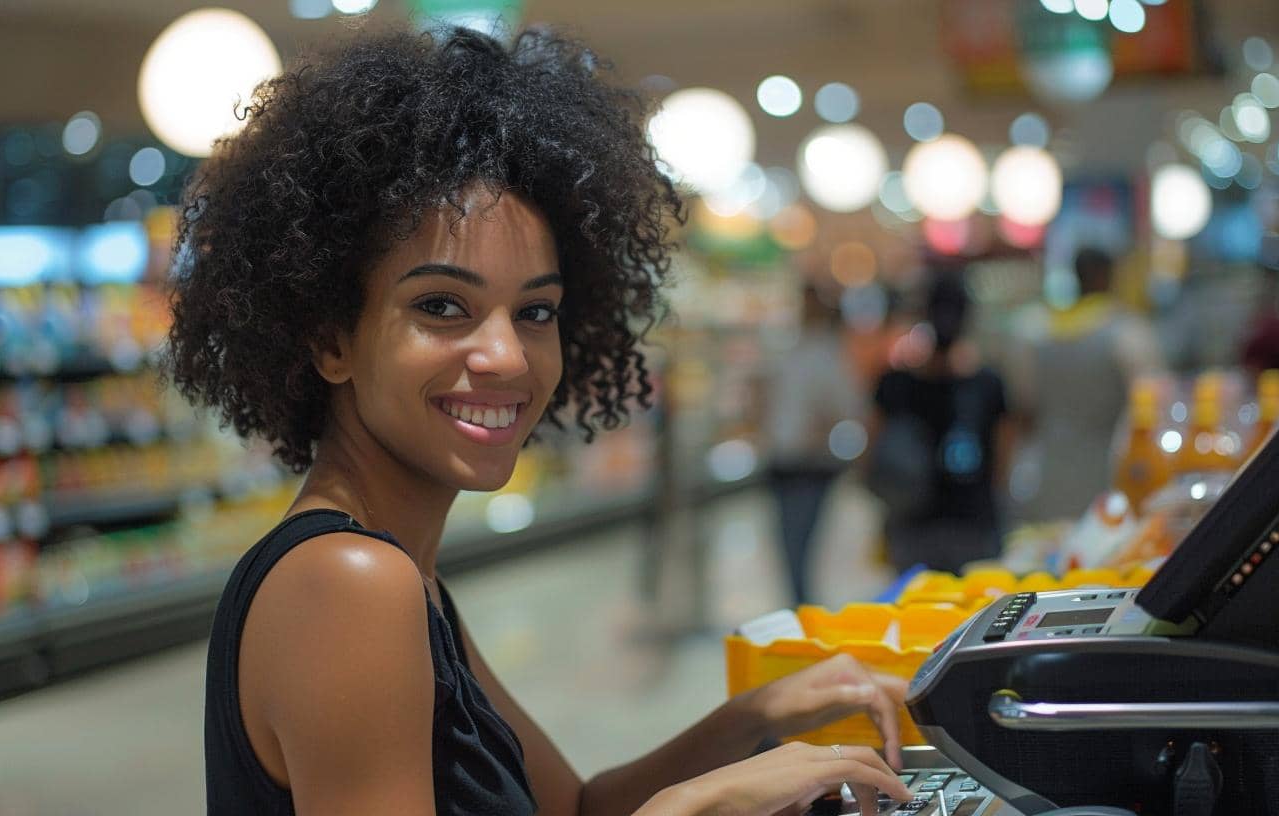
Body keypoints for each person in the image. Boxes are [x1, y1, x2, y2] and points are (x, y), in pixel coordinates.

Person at [168, 27, 912, 816]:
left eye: (535, 310)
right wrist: (691, 809)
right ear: (330, 338)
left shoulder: (405, 580)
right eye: (442, 306)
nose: (508, 357)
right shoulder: (351, 584)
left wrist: (757, 716)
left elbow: (578, 808)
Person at [1006, 247, 1164, 522]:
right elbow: (1151, 403)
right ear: (1110, 276)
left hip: (1050, 469)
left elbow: (1024, 406)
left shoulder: (1034, 331)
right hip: (1108, 469)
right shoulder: (1127, 331)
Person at [867, 272, 1010, 573]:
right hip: (973, 520)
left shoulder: (894, 384)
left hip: (911, 521)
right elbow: (1002, 459)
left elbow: (872, 448)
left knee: (917, 605)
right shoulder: (986, 384)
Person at [763, 285, 861, 606]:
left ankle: (801, 607)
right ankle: (799, 605)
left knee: (799, 543)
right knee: (788, 543)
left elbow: (844, 407)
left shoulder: (826, 355)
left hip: (810, 464)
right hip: (783, 460)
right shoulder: (791, 350)